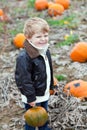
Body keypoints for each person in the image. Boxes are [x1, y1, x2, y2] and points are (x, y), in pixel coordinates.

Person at [15, 17, 55, 130]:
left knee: (43, 115)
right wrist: (31, 97)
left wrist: (51, 85)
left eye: (45, 36)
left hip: (43, 92)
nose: (43, 39)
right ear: (28, 38)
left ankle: (44, 127)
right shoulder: (24, 57)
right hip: (32, 96)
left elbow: (48, 70)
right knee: (32, 119)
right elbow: (23, 80)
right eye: (38, 37)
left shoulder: (45, 50)